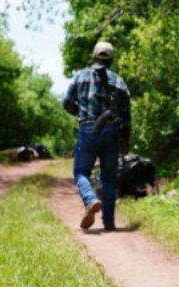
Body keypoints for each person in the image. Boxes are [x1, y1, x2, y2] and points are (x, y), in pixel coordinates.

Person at [63, 41, 132, 231]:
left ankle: (90, 199)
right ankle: (109, 223)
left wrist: (80, 113)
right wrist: (126, 141)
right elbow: (126, 117)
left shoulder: (80, 77)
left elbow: (67, 103)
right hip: (111, 131)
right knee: (109, 178)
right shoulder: (119, 82)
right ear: (111, 60)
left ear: (93, 57)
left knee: (81, 172)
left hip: (87, 129)